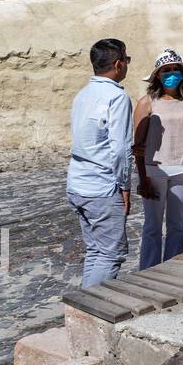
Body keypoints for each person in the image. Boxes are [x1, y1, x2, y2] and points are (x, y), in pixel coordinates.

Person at [66, 38, 133, 288]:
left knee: (95, 251)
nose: (127, 65)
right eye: (126, 60)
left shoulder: (83, 94)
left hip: (77, 184)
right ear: (118, 64)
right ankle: (90, 312)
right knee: (111, 254)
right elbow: (120, 149)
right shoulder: (116, 98)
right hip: (101, 188)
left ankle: (82, 310)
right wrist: (125, 186)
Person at [132, 49, 183, 270]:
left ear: (182, 73)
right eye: (166, 70)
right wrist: (142, 178)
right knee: (152, 225)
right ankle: (149, 271)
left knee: (176, 225)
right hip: (155, 171)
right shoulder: (146, 103)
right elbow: (138, 146)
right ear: (157, 75)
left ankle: (172, 269)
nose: (171, 73)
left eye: (175, 69)